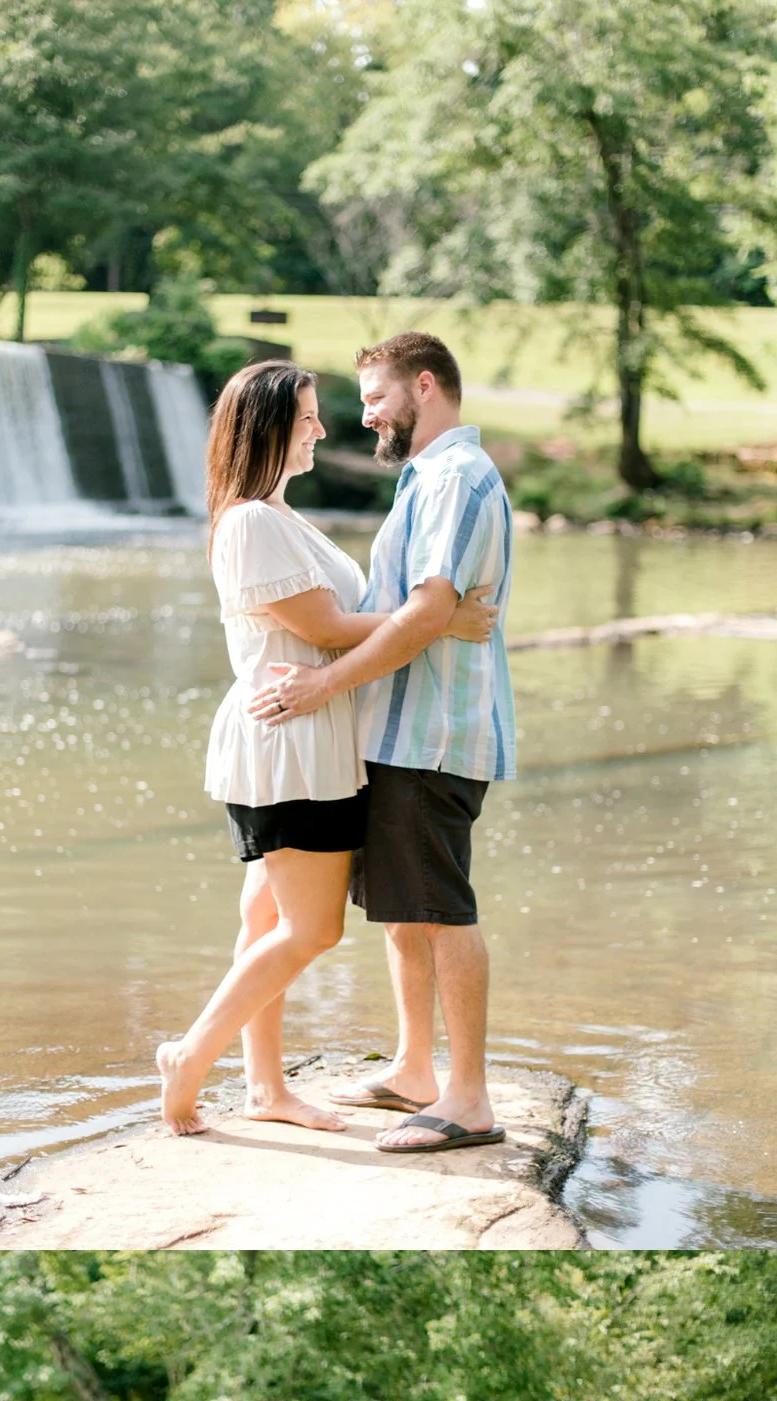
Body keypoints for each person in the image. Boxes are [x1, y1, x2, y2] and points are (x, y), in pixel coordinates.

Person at [155, 361, 495, 1136]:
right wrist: (440, 620)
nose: (320, 429)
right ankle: (191, 1056)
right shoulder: (251, 521)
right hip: (290, 741)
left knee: (266, 917)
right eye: (306, 417)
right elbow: (327, 628)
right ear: (268, 426)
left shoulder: (279, 516)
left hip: (304, 734)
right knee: (312, 930)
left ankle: (264, 1089)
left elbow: (337, 621)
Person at [249, 332, 516, 1154]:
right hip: (399, 730)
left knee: (439, 909)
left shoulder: (457, 478)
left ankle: (468, 1099)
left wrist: (324, 685)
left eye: (374, 398)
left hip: (432, 733)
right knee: (404, 910)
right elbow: (416, 610)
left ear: (423, 386)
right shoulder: (426, 478)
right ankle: (413, 1070)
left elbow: (429, 611)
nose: (363, 416)